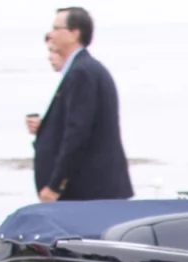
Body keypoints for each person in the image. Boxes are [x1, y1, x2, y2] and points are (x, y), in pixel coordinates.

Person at [28, 7, 133, 202]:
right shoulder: (82, 70)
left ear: (74, 33)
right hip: (93, 190)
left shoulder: (82, 73)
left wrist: (55, 185)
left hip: (91, 191)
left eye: (56, 28)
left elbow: (77, 133)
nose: (50, 35)